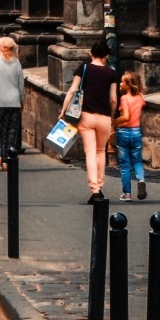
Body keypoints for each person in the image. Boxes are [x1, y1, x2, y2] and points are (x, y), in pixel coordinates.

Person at [60, 40, 118, 203]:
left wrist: (63, 110)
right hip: (104, 117)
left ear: (91, 53)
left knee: (90, 152)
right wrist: (111, 116)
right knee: (101, 152)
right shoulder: (111, 73)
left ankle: (95, 189)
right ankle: (100, 184)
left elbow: (72, 90)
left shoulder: (83, 68)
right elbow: (113, 99)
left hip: (86, 116)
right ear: (106, 56)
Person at [0, 37, 25, 169]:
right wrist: (21, 100)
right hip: (13, 102)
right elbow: (21, 84)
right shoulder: (17, 63)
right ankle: (6, 161)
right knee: (11, 131)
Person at [112, 70, 147, 201]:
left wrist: (114, 121)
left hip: (124, 132)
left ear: (129, 85)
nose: (120, 84)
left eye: (122, 82)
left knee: (125, 164)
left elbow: (126, 117)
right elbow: (142, 102)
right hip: (136, 131)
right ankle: (141, 180)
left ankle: (127, 193)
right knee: (137, 161)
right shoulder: (140, 97)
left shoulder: (124, 99)